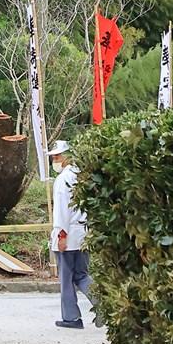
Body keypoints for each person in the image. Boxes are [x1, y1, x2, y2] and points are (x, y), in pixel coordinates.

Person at [48, 140, 98, 330]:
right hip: (82, 233)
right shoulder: (81, 176)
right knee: (83, 275)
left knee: (67, 278)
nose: (55, 160)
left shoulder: (62, 180)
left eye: (58, 156)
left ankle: (71, 317)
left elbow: (62, 210)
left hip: (67, 234)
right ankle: (103, 305)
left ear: (67, 156)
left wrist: (61, 234)